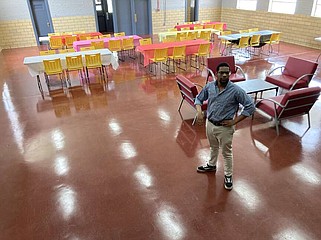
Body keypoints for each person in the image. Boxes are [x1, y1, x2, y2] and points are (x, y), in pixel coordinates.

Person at [194, 62, 255, 190]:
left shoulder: (236, 91)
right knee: (213, 147)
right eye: (221, 72)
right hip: (210, 124)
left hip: (225, 128)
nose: (224, 75)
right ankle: (211, 165)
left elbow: (250, 106)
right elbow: (199, 99)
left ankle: (228, 175)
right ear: (216, 74)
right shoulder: (210, 86)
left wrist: (234, 121)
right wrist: (199, 111)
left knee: (227, 153)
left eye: (227, 73)